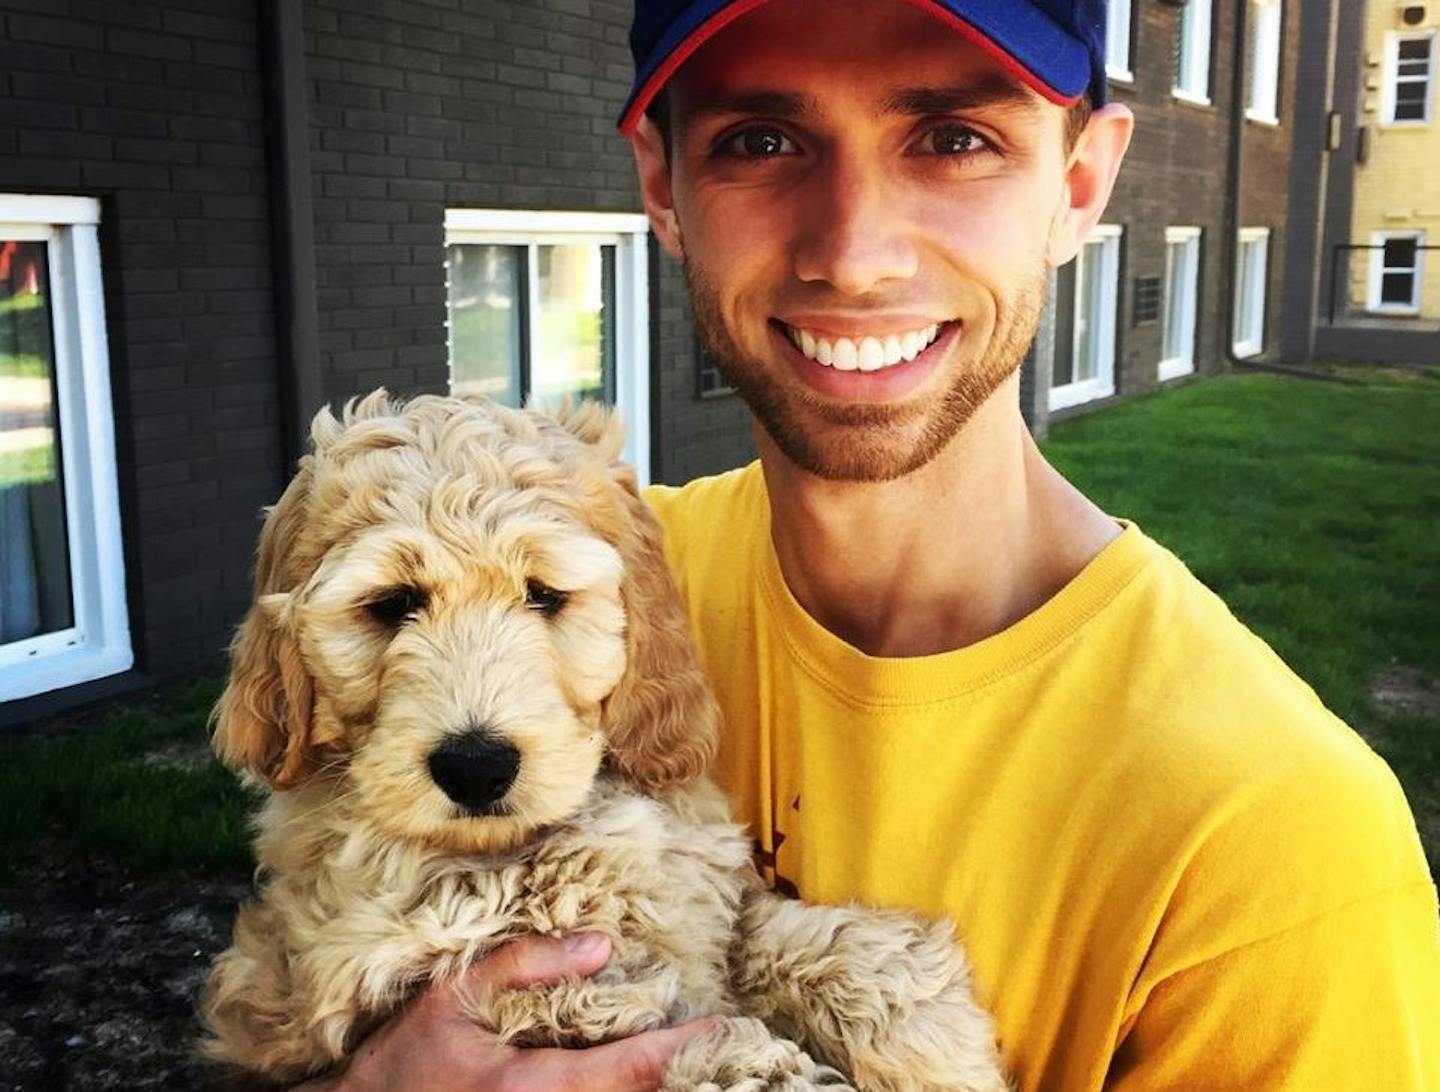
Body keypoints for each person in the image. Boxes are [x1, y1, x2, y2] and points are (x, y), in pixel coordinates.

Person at [309, 1, 1440, 1088]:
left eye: (955, 139)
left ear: (1080, 182)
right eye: (761, 138)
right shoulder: (593, 574)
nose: (853, 254)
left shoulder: (1278, 844)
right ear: (665, 186)